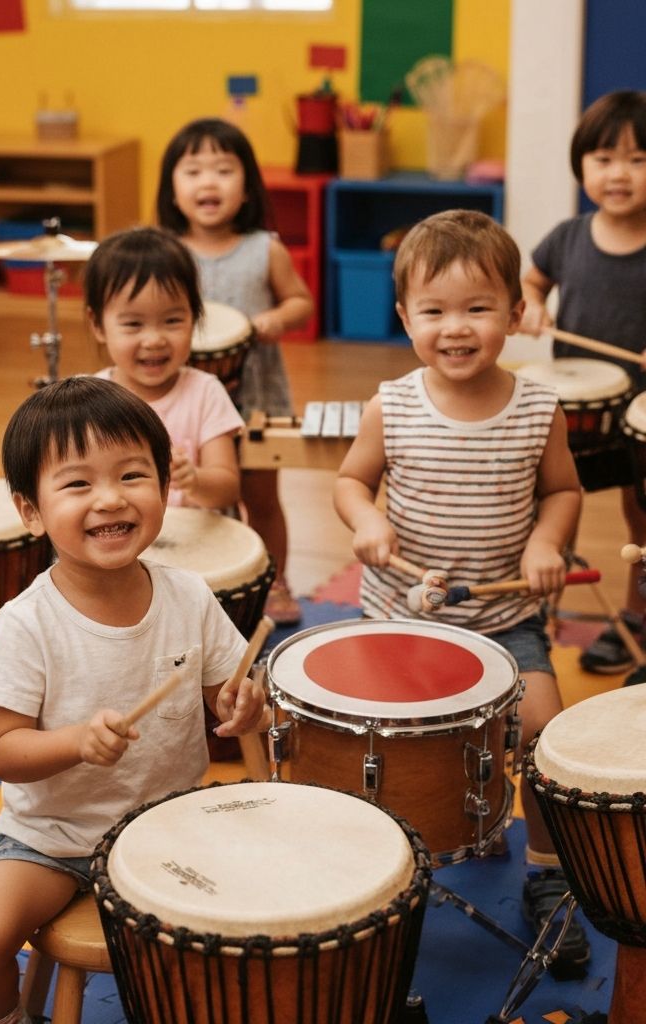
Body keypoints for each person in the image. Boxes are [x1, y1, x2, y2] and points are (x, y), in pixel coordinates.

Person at [0, 376, 265, 1024]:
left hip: (170, 826)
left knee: (255, 928)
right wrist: (74, 742)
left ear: (164, 485)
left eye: (131, 475)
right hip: (52, 841)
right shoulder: (26, 621)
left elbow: (230, 697)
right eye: (78, 484)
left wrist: (245, 706)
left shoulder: (190, 596)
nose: (111, 499)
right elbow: (4, 752)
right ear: (30, 511)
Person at [334, 209, 588, 965]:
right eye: (434, 310)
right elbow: (351, 481)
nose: (456, 327)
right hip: (400, 615)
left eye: (478, 308)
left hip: (503, 617)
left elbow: (565, 493)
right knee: (379, 750)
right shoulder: (393, 404)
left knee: (545, 737)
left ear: (515, 313)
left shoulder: (540, 409)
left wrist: (549, 540)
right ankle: (377, 857)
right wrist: (365, 524)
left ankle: (546, 870)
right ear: (405, 316)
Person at [157, 117, 313, 624]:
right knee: (195, 492)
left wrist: (276, 318)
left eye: (224, 169)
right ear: (172, 187)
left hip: (256, 395)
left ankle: (275, 579)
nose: (208, 182)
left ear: (247, 186)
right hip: (187, 398)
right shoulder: (165, 253)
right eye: (194, 170)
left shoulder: (263, 248)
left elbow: (301, 301)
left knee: (262, 497)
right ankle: (207, 577)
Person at [521, 89, 646, 683]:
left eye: (639, 159)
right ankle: (535, 617)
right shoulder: (569, 237)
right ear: (582, 167)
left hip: (643, 413)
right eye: (603, 158)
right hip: (574, 409)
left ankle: (636, 616)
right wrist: (531, 306)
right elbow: (531, 280)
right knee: (555, 507)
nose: (618, 173)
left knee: (640, 521)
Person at [89, 225, 242, 510]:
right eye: (133, 324)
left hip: (190, 545)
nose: (154, 340)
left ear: (194, 318)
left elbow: (227, 490)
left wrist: (195, 480)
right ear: (98, 325)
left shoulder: (205, 392)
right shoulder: (89, 401)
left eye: (172, 321)